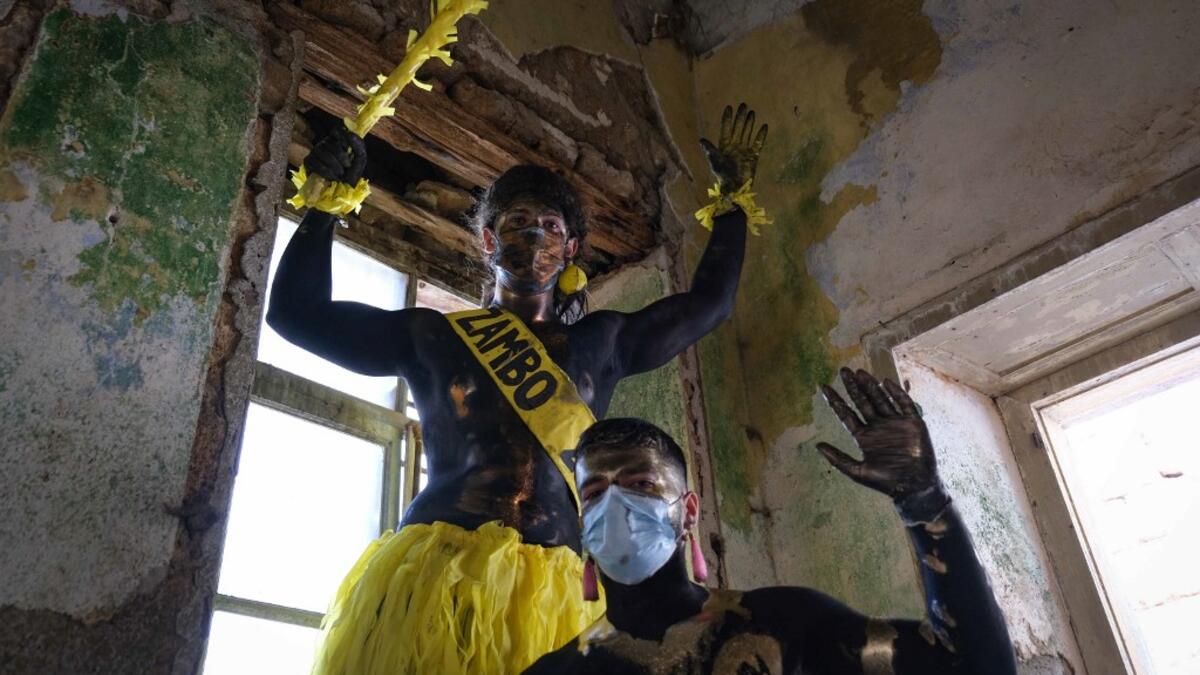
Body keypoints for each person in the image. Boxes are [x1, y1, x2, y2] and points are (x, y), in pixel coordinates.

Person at [266, 105, 767, 675]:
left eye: (552, 226)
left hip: (559, 588)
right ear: (487, 238)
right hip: (440, 576)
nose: (535, 235)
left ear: (572, 250)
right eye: (518, 221)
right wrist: (324, 208)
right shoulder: (432, 335)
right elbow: (297, 315)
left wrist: (731, 206)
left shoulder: (600, 344)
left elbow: (709, 305)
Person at [525, 368, 1018, 674]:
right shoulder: (559, 671)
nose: (616, 505)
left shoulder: (788, 623)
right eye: (595, 493)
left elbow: (973, 667)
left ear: (689, 511)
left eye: (640, 485)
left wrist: (925, 503)